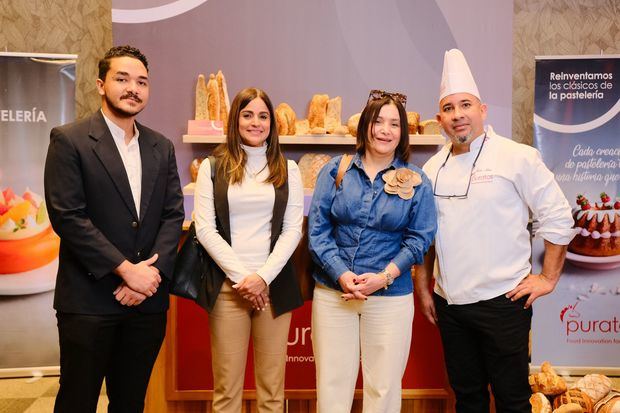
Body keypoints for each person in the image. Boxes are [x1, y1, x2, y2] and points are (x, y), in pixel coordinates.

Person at [414, 49, 575, 413]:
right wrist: (424, 285)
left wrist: (547, 278)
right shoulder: (432, 168)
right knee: (467, 398)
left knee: (513, 400)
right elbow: (424, 236)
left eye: (465, 105)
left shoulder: (516, 157)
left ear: (482, 110)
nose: (458, 115)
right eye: (449, 108)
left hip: (505, 303)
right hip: (451, 305)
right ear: (440, 119)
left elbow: (559, 216)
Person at [44, 45, 184, 412]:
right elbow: (68, 216)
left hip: (145, 304)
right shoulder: (70, 139)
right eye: (122, 79)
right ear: (101, 84)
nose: (133, 88)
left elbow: (173, 216)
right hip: (89, 301)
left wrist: (148, 277)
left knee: (130, 402)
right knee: (77, 401)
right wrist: (126, 271)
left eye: (142, 82)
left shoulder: (161, 147)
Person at [308, 90, 437, 412]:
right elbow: (318, 232)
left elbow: (419, 238)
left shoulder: (418, 181)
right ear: (365, 125)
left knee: (384, 389)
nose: (385, 130)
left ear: (402, 133)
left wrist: (384, 277)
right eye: (378, 121)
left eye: (394, 124)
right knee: (332, 384)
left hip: (391, 298)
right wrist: (341, 274)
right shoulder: (335, 170)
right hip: (334, 294)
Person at [194, 87, 304, 412]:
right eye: (247, 114)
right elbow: (205, 229)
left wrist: (263, 278)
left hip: (274, 289)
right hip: (228, 289)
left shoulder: (288, 169)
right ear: (235, 119)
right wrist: (244, 278)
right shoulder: (212, 167)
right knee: (227, 391)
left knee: (272, 391)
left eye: (263, 116)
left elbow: (292, 229)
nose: (256, 122)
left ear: (271, 122)